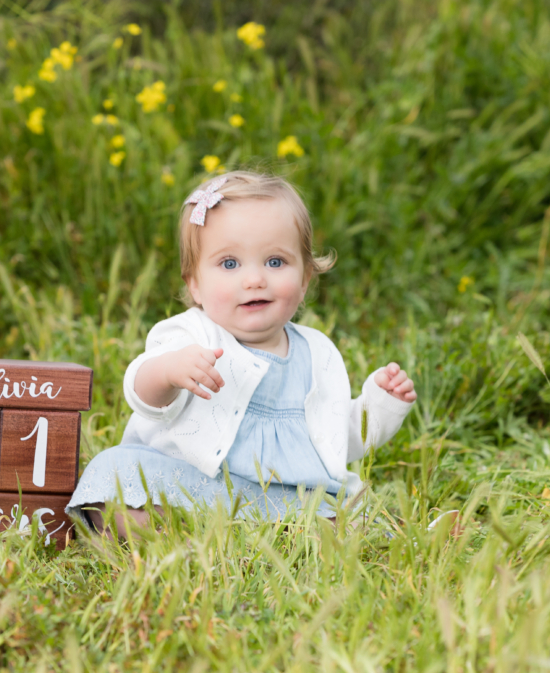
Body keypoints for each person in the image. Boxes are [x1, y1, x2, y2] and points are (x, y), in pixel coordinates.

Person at [65, 171, 416, 536]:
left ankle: (369, 533)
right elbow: (143, 397)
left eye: (275, 262)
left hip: (286, 499)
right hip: (192, 485)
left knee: (342, 515)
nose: (254, 280)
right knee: (113, 475)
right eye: (230, 264)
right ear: (195, 284)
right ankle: (188, 534)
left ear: (306, 277)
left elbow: (338, 438)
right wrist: (169, 371)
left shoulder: (317, 353)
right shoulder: (192, 335)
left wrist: (380, 405)